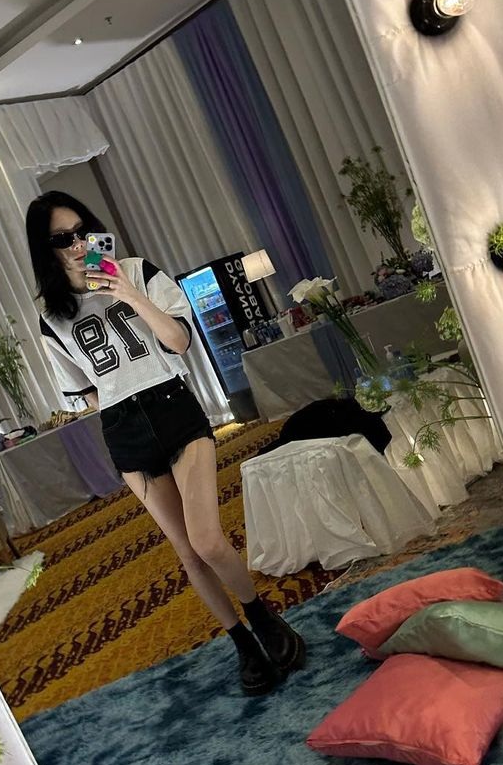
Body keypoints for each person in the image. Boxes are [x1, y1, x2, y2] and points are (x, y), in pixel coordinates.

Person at [26, 191, 305, 695]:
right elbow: (83, 391)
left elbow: (179, 341)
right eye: (63, 239)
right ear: (45, 248)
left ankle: (262, 617)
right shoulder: (51, 316)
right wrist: (116, 403)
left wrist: (129, 294)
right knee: (188, 554)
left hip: (173, 407)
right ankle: (242, 642)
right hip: (124, 429)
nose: (78, 244)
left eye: (83, 231)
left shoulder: (139, 271)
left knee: (207, 540)